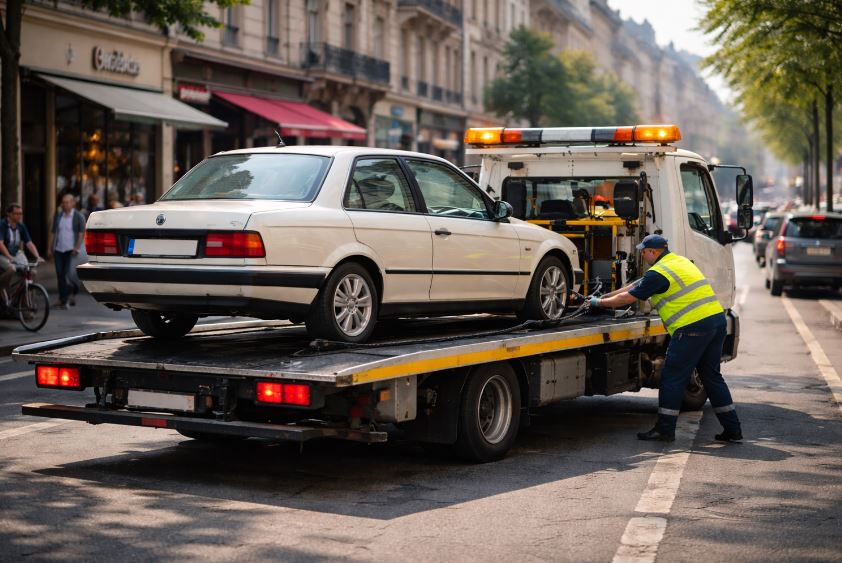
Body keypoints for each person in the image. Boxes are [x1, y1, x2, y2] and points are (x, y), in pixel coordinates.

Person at [589, 234, 743, 443]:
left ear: (653, 252)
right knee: (712, 377)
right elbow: (633, 286)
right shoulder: (678, 262)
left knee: (672, 376)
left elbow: (629, 297)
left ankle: (665, 429)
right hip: (716, 322)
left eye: (644, 251)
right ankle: (733, 430)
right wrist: (604, 296)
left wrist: (599, 304)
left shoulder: (658, 273)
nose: (642, 255)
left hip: (692, 328)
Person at [48, 194, 86, 308]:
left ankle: (73, 292)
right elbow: (53, 232)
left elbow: (81, 233)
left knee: (69, 274)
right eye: (63, 202)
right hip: (59, 249)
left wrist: (77, 247)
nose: (65, 204)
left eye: (67, 202)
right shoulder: (59, 216)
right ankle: (62, 299)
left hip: (71, 250)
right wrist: (49, 248)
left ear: (73, 203)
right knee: (60, 274)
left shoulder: (78, 216)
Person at [0, 203, 44, 301]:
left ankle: (25, 302)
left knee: (31, 272)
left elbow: (29, 243)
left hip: (15, 253)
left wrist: (37, 256)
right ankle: (2, 285)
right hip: (2, 255)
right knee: (12, 269)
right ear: (9, 214)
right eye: (17, 214)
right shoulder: (2, 225)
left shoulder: (21, 226)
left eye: (21, 213)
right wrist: (9, 257)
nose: (20, 216)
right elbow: (0, 244)